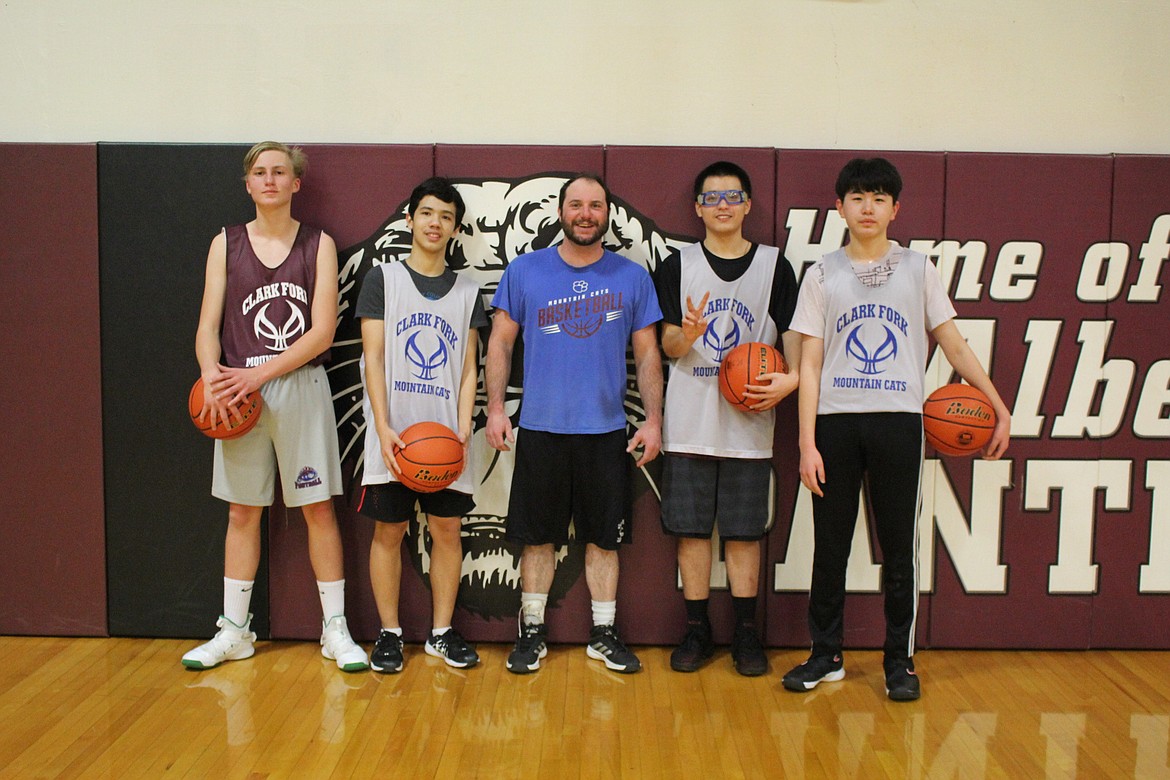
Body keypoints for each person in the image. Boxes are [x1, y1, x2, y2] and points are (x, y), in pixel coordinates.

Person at [782, 157, 1010, 701]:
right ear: (839, 206)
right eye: (857, 197)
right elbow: (808, 363)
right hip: (835, 424)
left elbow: (953, 344)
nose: (868, 207)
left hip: (899, 423)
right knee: (829, 548)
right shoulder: (821, 273)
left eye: (879, 198)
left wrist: (999, 406)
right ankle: (825, 654)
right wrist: (806, 441)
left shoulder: (918, 269)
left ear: (895, 209)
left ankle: (899, 661)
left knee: (899, 549)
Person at [183, 141, 368, 672]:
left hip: (298, 386)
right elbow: (206, 327)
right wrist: (210, 373)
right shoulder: (226, 243)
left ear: (295, 184)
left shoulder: (319, 244)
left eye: (279, 172)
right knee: (242, 511)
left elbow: (324, 330)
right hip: (237, 395)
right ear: (247, 184)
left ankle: (334, 629)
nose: (269, 179)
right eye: (259, 172)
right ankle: (236, 630)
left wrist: (258, 373)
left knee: (316, 508)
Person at [485, 173, 663, 675]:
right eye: (576, 205)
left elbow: (648, 355)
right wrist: (497, 409)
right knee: (537, 538)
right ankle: (533, 631)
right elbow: (500, 343)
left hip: (606, 431)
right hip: (541, 427)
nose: (586, 214)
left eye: (596, 206)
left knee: (604, 539)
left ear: (608, 215)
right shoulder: (525, 271)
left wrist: (653, 421)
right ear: (561, 212)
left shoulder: (631, 277)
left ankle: (603, 633)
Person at [654, 161, 800, 677]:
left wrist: (792, 379)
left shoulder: (775, 267)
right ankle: (697, 629)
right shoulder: (677, 265)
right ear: (697, 208)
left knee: (742, 534)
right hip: (690, 423)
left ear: (747, 204)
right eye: (711, 198)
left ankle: (745, 632)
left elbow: (794, 342)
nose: (721, 206)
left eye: (731, 196)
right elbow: (667, 345)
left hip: (750, 425)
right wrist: (688, 334)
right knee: (691, 532)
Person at [354, 177, 488, 673]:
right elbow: (374, 359)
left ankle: (441, 632)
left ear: (455, 228)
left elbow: (471, 366)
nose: (436, 223)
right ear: (409, 219)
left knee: (447, 531)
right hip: (392, 434)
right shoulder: (382, 279)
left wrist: (461, 430)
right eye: (427, 213)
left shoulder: (469, 291)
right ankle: (389, 634)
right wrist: (384, 427)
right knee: (389, 533)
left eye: (446, 217)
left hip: (444, 438)